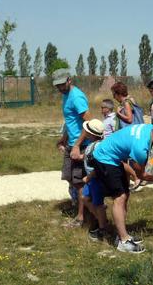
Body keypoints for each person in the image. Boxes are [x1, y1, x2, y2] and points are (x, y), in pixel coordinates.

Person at [90, 117, 153, 253]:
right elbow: (141, 176)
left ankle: (123, 233)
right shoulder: (141, 148)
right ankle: (123, 241)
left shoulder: (150, 129)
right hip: (105, 159)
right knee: (119, 198)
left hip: (113, 157)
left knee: (125, 195)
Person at [53, 69, 92, 225]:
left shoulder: (76, 97)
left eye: (62, 84)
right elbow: (72, 123)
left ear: (69, 80)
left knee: (79, 180)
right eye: (58, 86)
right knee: (71, 178)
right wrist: (63, 139)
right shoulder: (66, 96)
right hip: (71, 143)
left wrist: (76, 145)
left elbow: (89, 123)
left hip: (81, 145)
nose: (60, 88)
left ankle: (82, 217)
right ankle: (81, 208)